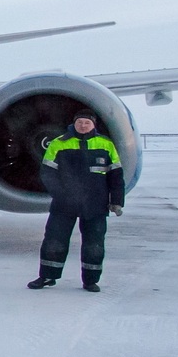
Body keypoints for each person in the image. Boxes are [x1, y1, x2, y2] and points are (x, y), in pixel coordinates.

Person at [27, 109, 124, 292]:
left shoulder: (105, 144)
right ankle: (47, 276)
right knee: (54, 240)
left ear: (93, 125)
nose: (83, 125)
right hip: (65, 203)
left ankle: (90, 280)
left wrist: (117, 200)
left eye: (87, 122)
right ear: (74, 124)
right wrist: (60, 194)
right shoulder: (59, 143)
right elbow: (47, 173)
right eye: (80, 122)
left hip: (96, 203)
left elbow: (116, 175)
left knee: (94, 244)